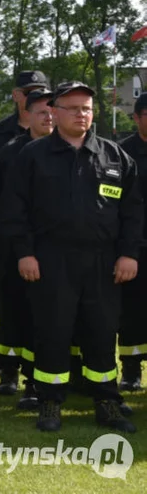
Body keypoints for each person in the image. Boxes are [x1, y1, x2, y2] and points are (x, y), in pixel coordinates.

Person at [2, 82, 141, 433]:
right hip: (51, 261)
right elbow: (14, 210)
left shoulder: (114, 156)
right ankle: (50, 401)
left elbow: (133, 212)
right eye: (74, 108)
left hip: (103, 263)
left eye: (87, 108)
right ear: (56, 112)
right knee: (53, 331)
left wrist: (128, 254)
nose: (82, 114)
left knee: (101, 331)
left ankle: (106, 401)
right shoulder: (33, 156)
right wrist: (25, 254)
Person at [0, 70, 50, 374]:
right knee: (4, 297)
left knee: (42, 302)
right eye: (28, 90)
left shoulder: (60, 140)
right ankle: (3, 356)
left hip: (46, 237)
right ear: (16, 95)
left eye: (41, 90)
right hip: (5, 232)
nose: (34, 94)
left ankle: (41, 365)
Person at [119, 93, 147, 392]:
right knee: (133, 311)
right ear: (137, 117)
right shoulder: (122, 154)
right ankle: (131, 369)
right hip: (135, 246)